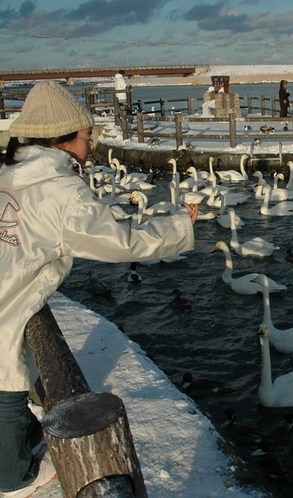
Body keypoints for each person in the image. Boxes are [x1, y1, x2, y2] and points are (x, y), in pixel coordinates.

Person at [0, 80, 198, 496]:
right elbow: (120, 241)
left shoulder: (10, 171)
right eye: (88, 138)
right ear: (64, 138)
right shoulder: (61, 192)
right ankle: (13, 477)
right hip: (8, 295)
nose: (91, 147)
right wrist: (180, 225)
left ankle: (25, 444)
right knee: (7, 379)